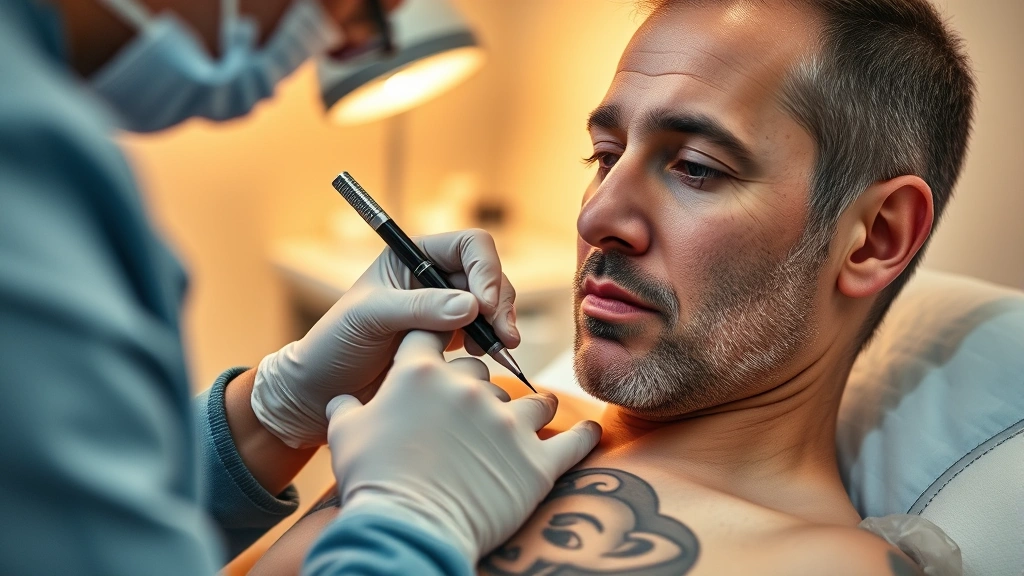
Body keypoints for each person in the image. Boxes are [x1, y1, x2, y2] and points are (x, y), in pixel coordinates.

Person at [253, 0, 976, 573]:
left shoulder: (824, 566)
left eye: (695, 166)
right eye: (605, 155)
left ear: (875, 237)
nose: (597, 215)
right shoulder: (469, 418)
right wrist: (268, 413)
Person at [0, 0, 601, 574]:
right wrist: (413, 524)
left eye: (696, 167)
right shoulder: (25, 159)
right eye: (602, 157)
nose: (349, 43)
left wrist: (270, 413)